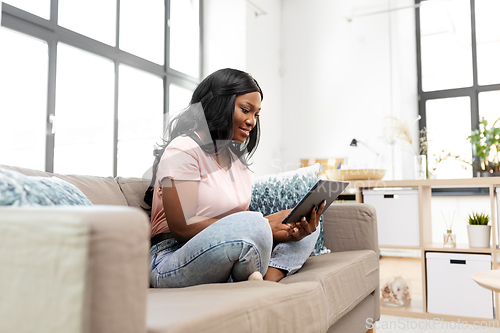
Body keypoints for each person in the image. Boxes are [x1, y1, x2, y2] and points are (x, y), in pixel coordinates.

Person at [145, 68, 325, 288]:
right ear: (219, 104)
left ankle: (269, 275)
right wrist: (263, 225)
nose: (252, 121)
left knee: (308, 225)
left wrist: (284, 229)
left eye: (256, 114)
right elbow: (182, 226)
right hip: (173, 257)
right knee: (255, 224)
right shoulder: (183, 149)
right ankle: (256, 277)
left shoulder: (236, 161)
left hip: (229, 251)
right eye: (245, 110)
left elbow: (239, 225)